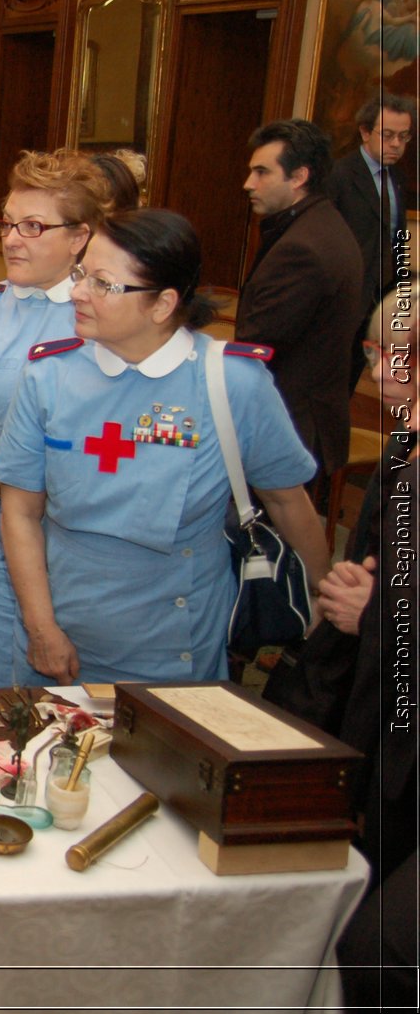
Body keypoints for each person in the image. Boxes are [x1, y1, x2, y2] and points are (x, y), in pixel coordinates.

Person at [0, 209, 330, 686]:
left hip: (175, 640)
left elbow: (285, 499)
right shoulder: (48, 376)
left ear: (162, 303)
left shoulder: (231, 382)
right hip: (60, 632)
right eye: (82, 274)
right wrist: (41, 627)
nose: (77, 292)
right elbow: (20, 512)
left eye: (103, 284)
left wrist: (322, 597)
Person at [0, 149, 113, 687]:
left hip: (85, 552)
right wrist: (42, 499)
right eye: (9, 223)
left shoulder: (108, 316)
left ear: (79, 236)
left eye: (33, 226)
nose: (11, 239)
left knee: (81, 717)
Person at [311, 289, 416, 1010]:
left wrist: (373, 614)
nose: (377, 374)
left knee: (375, 950)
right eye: (375, 353)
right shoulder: (404, 447)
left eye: (397, 357)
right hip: (379, 720)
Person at [236, 119, 364, 481]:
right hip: (306, 417)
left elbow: (257, 345)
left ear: (299, 176)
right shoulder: (320, 223)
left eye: (262, 172)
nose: (249, 183)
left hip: (291, 423)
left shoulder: (303, 247)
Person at [324, 94, 415, 394]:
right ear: (365, 132)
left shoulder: (396, 179)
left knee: (349, 381)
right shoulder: (339, 174)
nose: (396, 145)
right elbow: (324, 238)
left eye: (404, 137)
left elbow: (396, 236)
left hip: (376, 298)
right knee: (327, 383)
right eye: (387, 135)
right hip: (340, 298)